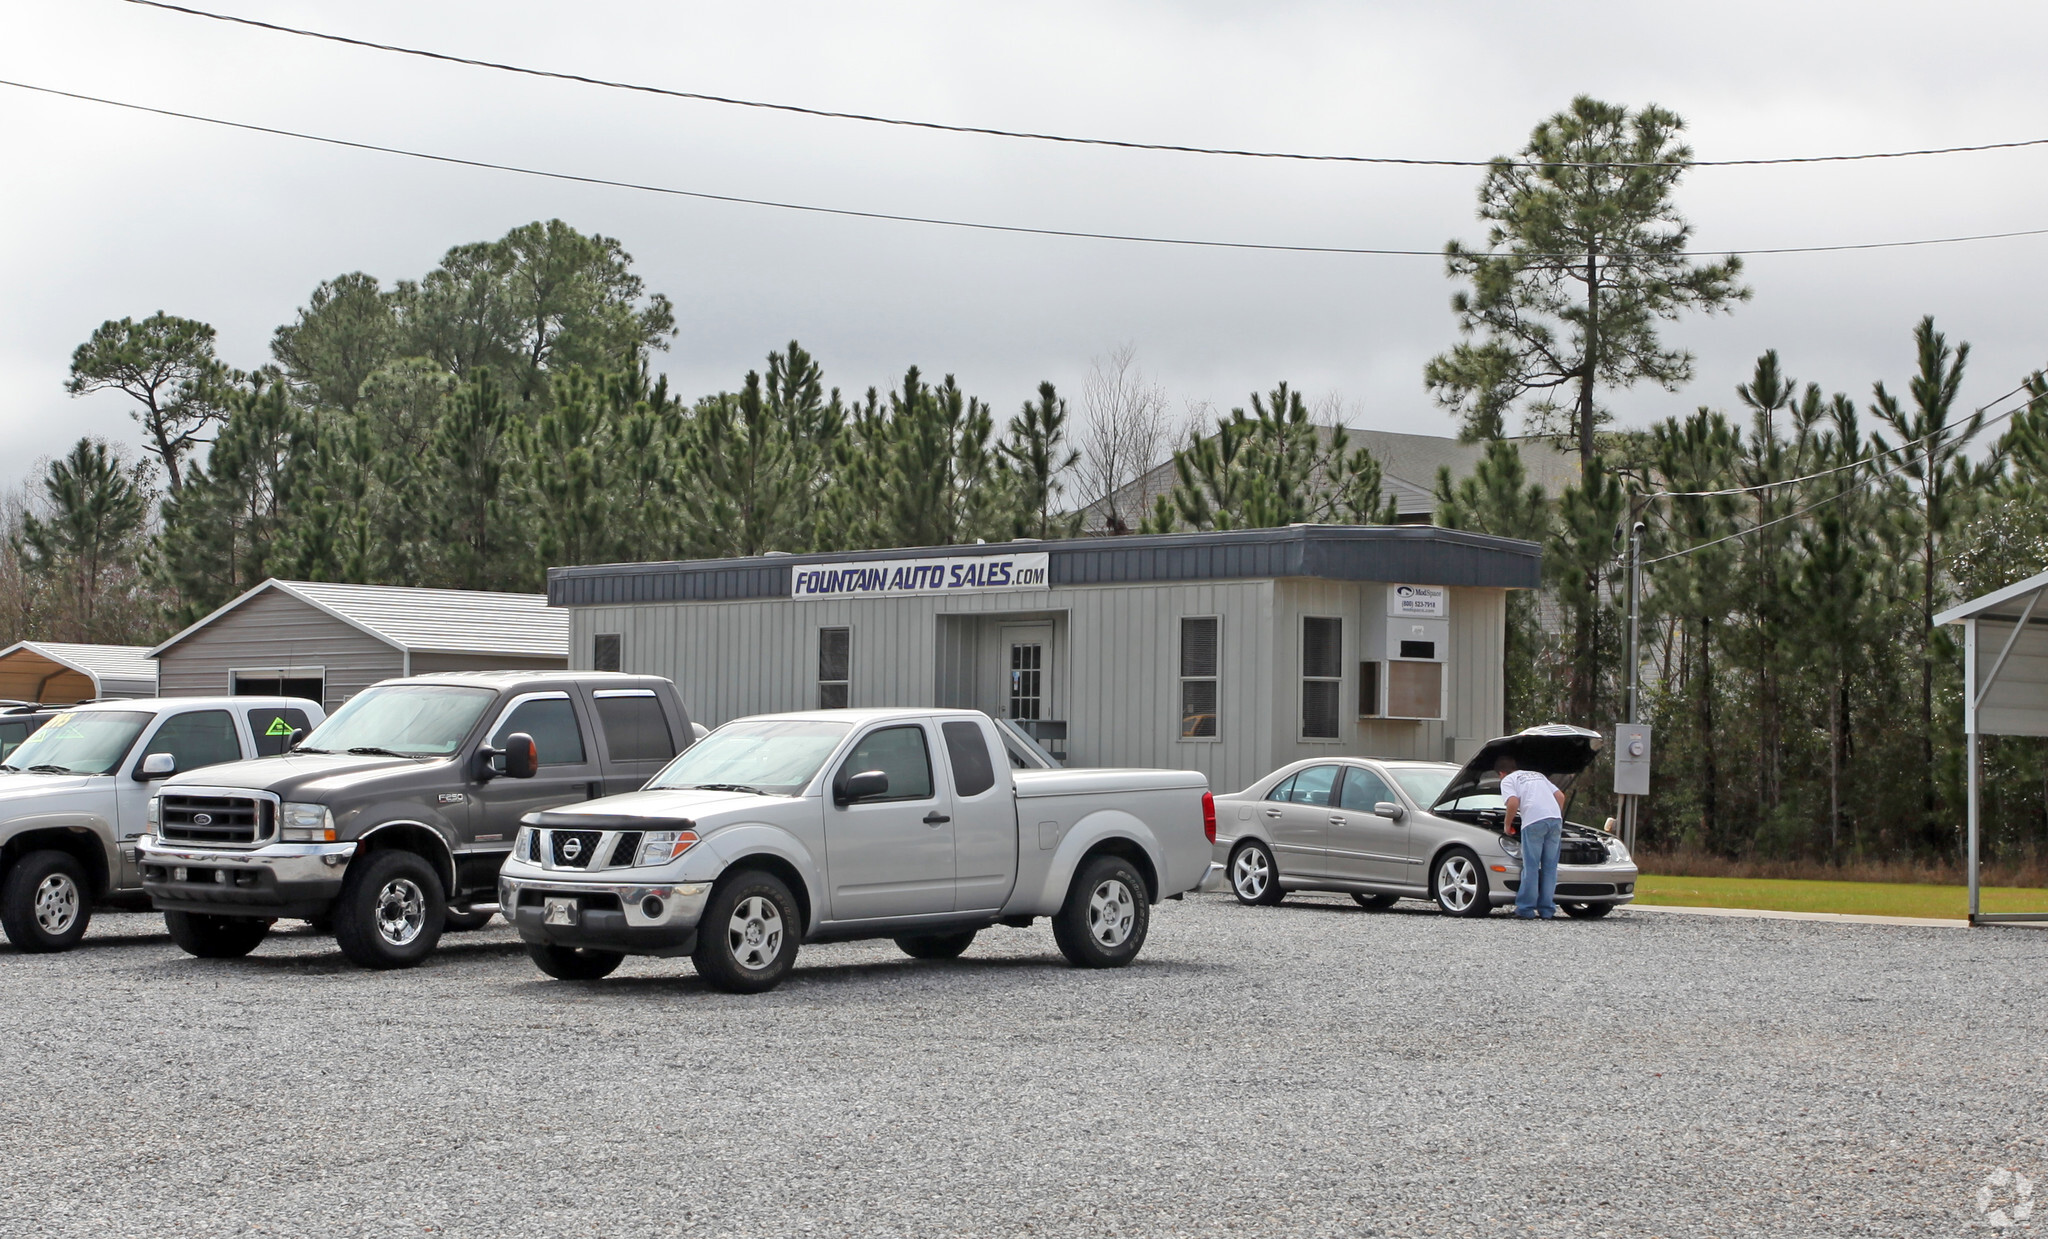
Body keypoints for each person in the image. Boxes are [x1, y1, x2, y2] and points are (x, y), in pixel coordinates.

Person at [1497, 754, 1567, 920]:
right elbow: (1560, 797)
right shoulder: (1538, 775)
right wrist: (1554, 814)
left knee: (1531, 867)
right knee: (1550, 868)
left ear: (1501, 773)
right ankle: (1547, 910)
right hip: (1555, 820)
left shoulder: (1508, 780)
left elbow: (1513, 802)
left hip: (1534, 822)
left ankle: (1526, 909)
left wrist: (1507, 825)